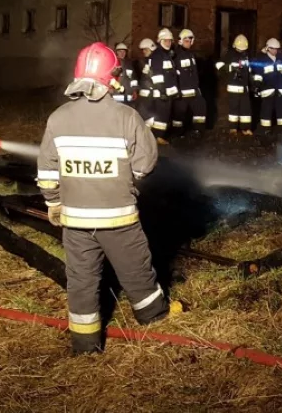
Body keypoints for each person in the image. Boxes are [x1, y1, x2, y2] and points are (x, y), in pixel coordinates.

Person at [36, 42, 169, 354]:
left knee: (81, 280)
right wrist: (125, 180)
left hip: (75, 222)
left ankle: (84, 343)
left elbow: (46, 169)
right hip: (119, 219)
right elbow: (145, 163)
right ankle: (152, 315)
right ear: (112, 77)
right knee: (136, 269)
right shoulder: (126, 117)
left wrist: (53, 201)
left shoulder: (58, 118)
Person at [146, 28, 179, 145]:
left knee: (164, 116)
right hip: (161, 93)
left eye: (170, 41)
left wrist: (174, 91)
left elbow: (170, 75)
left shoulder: (166, 55)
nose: (168, 43)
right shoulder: (157, 56)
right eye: (165, 41)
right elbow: (157, 76)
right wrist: (162, 91)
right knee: (161, 116)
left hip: (167, 93)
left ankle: (158, 136)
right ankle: (157, 137)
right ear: (160, 41)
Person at [215, 35, 254, 135]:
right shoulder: (230, 55)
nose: (241, 51)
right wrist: (230, 68)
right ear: (235, 46)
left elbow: (249, 70)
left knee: (246, 109)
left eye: (243, 49)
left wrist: (252, 81)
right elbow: (218, 65)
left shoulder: (246, 55)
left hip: (244, 87)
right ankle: (233, 128)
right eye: (239, 49)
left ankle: (245, 128)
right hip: (234, 87)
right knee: (234, 109)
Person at [252, 38, 282, 132]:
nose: (275, 51)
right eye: (273, 48)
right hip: (268, 89)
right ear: (268, 48)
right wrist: (256, 87)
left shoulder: (281, 59)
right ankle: (264, 130)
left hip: (280, 89)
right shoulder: (262, 59)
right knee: (266, 110)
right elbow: (258, 75)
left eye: (277, 49)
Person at [171, 29, 206, 136]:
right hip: (181, 92)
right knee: (179, 114)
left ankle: (198, 130)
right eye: (186, 41)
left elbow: (194, 73)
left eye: (190, 40)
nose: (188, 43)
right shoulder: (175, 55)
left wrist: (197, 88)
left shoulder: (191, 54)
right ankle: (177, 133)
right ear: (181, 41)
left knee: (200, 108)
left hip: (194, 90)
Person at [136, 38, 156, 127]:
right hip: (144, 98)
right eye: (142, 50)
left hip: (151, 97)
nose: (143, 51)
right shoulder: (146, 61)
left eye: (145, 49)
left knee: (150, 119)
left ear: (151, 48)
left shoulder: (155, 61)